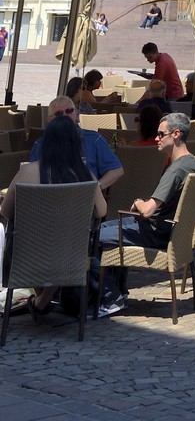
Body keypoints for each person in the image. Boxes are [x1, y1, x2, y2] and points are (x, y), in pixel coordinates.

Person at [96, 112, 195, 316]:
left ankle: (111, 298)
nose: (156, 138)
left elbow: (147, 211)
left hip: (153, 233)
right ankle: (119, 292)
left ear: (175, 135)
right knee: (102, 228)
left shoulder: (175, 170)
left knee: (91, 237)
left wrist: (138, 202)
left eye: (160, 134)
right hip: (171, 231)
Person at [1, 113, 107, 317]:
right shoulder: (85, 176)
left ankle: (41, 300)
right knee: (68, 245)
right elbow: (101, 212)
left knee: (33, 243)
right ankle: (43, 300)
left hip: (26, 254)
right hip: (70, 254)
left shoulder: (27, 173)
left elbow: (6, 212)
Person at [29, 98, 123, 198]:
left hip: (85, 199)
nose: (65, 116)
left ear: (76, 113)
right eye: (59, 114)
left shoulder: (94, 140)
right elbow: (30, 176)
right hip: (50, 199)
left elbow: (116, 170)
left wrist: (97, 188)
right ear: (50, 119)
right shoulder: (41, 144)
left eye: (69, 111)